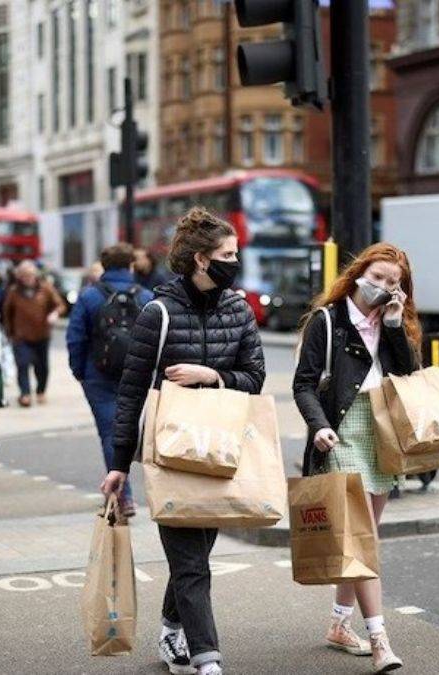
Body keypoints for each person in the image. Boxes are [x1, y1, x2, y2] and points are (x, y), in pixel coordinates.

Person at [100, 206, 265, 675]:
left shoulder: (238, 308)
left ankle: (172, 628)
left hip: (221, 449)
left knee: (197, 552)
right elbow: (131, 391)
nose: (235, 261)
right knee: (192, 561)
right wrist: (118, 463)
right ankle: (207, 659)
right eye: (228, 254)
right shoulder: (159, 313)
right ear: (200, 259)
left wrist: (210, 375)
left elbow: (254, 377)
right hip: (172, 452)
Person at [292, 242, 420, 673]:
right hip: (341, 432)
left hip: (380, 433)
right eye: (378, 277)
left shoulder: (391, 322)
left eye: (393, 283)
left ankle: (338, 625)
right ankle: (380, 639)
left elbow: (409, 377)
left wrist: (396, 324)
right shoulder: (326, 322)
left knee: (362, 539)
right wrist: (318, 425)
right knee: (364, 540)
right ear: (360, 272)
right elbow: (304, 384)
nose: (382, 286)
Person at [66, 243, 154, 517]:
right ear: (130, 265)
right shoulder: (146, 296)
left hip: (99, 375)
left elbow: (75, 338)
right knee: (137, 432)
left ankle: (122, 497)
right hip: (138, 374)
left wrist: (80, 372)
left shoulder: (90, 296)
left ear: (103, 266)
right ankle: (148, 493)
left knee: (110, 433)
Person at [1, 260, 64, 407]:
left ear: (35, 275)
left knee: (42, 366)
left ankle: (41, 390)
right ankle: (25, 394)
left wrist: (54, 314)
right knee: (22, 364)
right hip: (21, 335)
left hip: (42, 334)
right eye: (23, 275)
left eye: (30, 275)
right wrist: (9, 332)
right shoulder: (13, 292)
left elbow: (60, 305)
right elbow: (7, 312)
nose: (27, 278)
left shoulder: (45, 288)